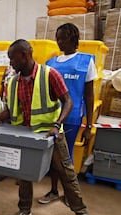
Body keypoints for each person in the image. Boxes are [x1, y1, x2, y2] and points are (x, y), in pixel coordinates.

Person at [0, 39, 93, 215]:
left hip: (51, 135)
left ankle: (82, 214)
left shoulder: (49, 74)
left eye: (12, 58)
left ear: (25, 55)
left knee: (67, 174)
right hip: (25, 136)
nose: (10, 63)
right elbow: (10, 111)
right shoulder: (13, 82)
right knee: (23, 175)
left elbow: (68, 101)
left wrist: (57, 125)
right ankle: (25, 210)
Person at [38, 23, 97, 205]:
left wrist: (88, 125)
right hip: (51, 118)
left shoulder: (86, 62)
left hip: (71, 119)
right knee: (53, 158)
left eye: (63, 38)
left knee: (66, 159)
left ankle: (70, 195)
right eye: (58, 38)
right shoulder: (51, 63)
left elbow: (89, 95)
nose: (59, 42)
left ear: (73, 38)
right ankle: (54, 190)